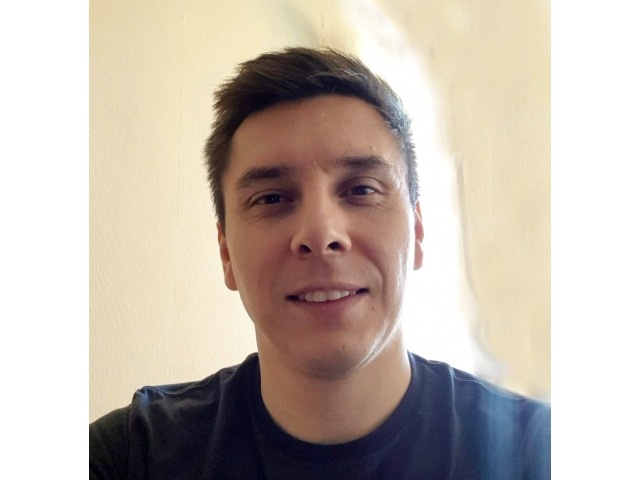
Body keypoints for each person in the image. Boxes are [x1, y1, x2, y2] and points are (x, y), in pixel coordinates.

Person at [90, 47, 550, 479]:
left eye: (361, 189)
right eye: (272, 198)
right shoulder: (128, 457)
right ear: (226, 252)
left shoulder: (537, 453)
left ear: (417, 232)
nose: (320, 233)